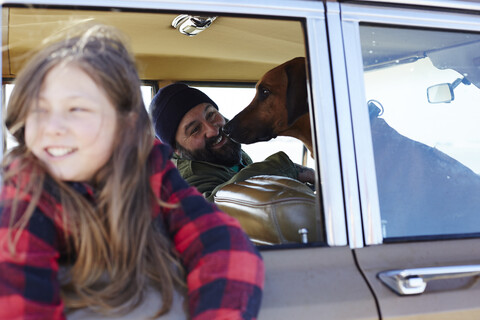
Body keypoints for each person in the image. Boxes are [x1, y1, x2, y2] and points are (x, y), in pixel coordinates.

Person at [0, 24, 264, 319]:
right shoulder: (25, 191)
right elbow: (18, 296)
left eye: (78, 110)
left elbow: (223, 243)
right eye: (39, 112)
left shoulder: (149, 173)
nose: (55, 128)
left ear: (121, 128)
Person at [149, 83, 315, 202]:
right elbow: (212, 210)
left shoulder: (221, 152)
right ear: (176, 150)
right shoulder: (185, 181)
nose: (213, 130)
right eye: (195, 130)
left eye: (211, 115)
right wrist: (287, 168)